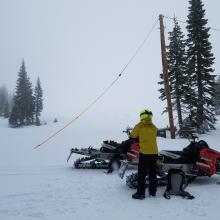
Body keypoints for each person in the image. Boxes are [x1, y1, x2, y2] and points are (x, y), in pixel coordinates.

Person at [130, 109, 158, 199]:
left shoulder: (139, 126)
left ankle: (141, 193)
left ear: (141, 116)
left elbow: (133, 135)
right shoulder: (153, 127)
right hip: (154, 153)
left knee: (141, 174)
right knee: (153, 174)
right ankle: (152, 192)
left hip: (145, 153)